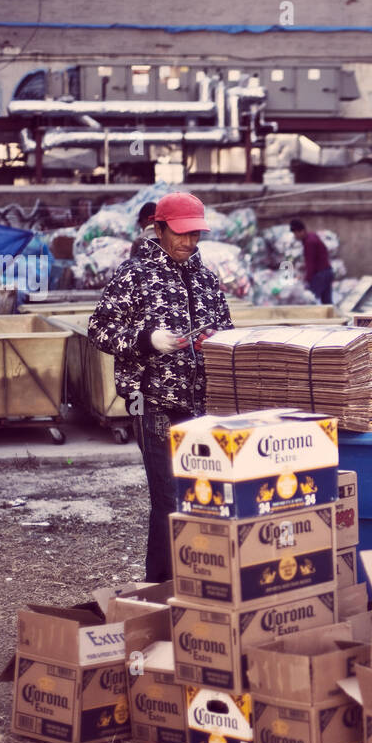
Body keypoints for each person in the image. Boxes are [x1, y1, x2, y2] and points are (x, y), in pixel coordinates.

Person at [88, 192, 234, 583]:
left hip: (202, 404)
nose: (188, 242)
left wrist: (213, 339)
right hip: (153, 402)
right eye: (180, 234)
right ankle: (161, 589)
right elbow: (99, 329)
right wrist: (148, 339)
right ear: (159, 228)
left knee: (199, 498)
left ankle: (193, 581)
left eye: (195, 235)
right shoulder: (134, 275)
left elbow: (227, 328)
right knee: (168, 500)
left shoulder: (205, 278)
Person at [290, 218, 334, 305]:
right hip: (327, 272)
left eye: (296, 233)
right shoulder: (312, 236)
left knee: (310, 300)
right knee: (327, 302)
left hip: (320, 275)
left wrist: (307, 279)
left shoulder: (309, 242)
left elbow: (311, 264)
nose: (295, 236)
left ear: (302, 231)